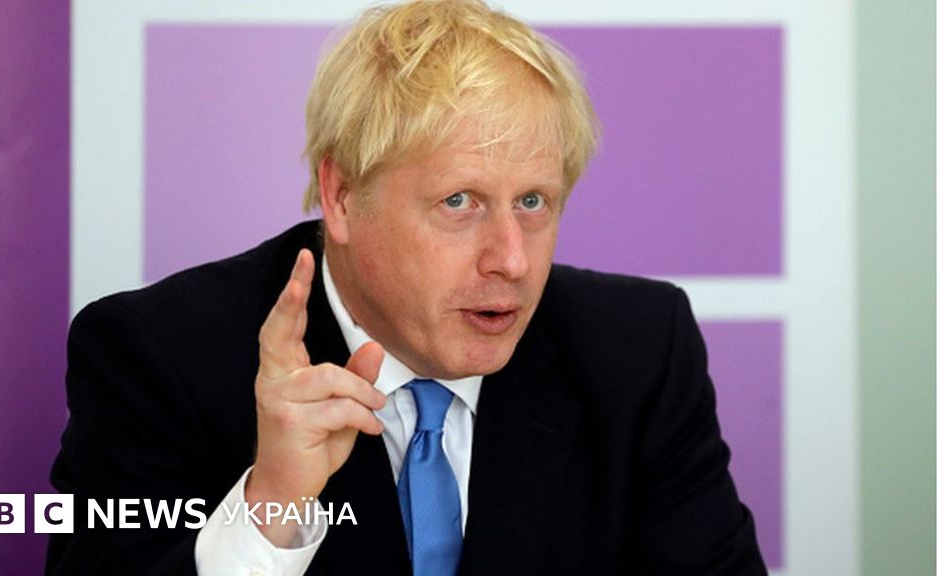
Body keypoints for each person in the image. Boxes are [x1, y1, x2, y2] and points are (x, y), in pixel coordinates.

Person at [47, 0, 767, 574]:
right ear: (341, 196)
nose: (512, 261)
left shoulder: (637, 350)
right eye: (459, 201)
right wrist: (269, 509)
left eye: (533, 202)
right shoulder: (160, 355)